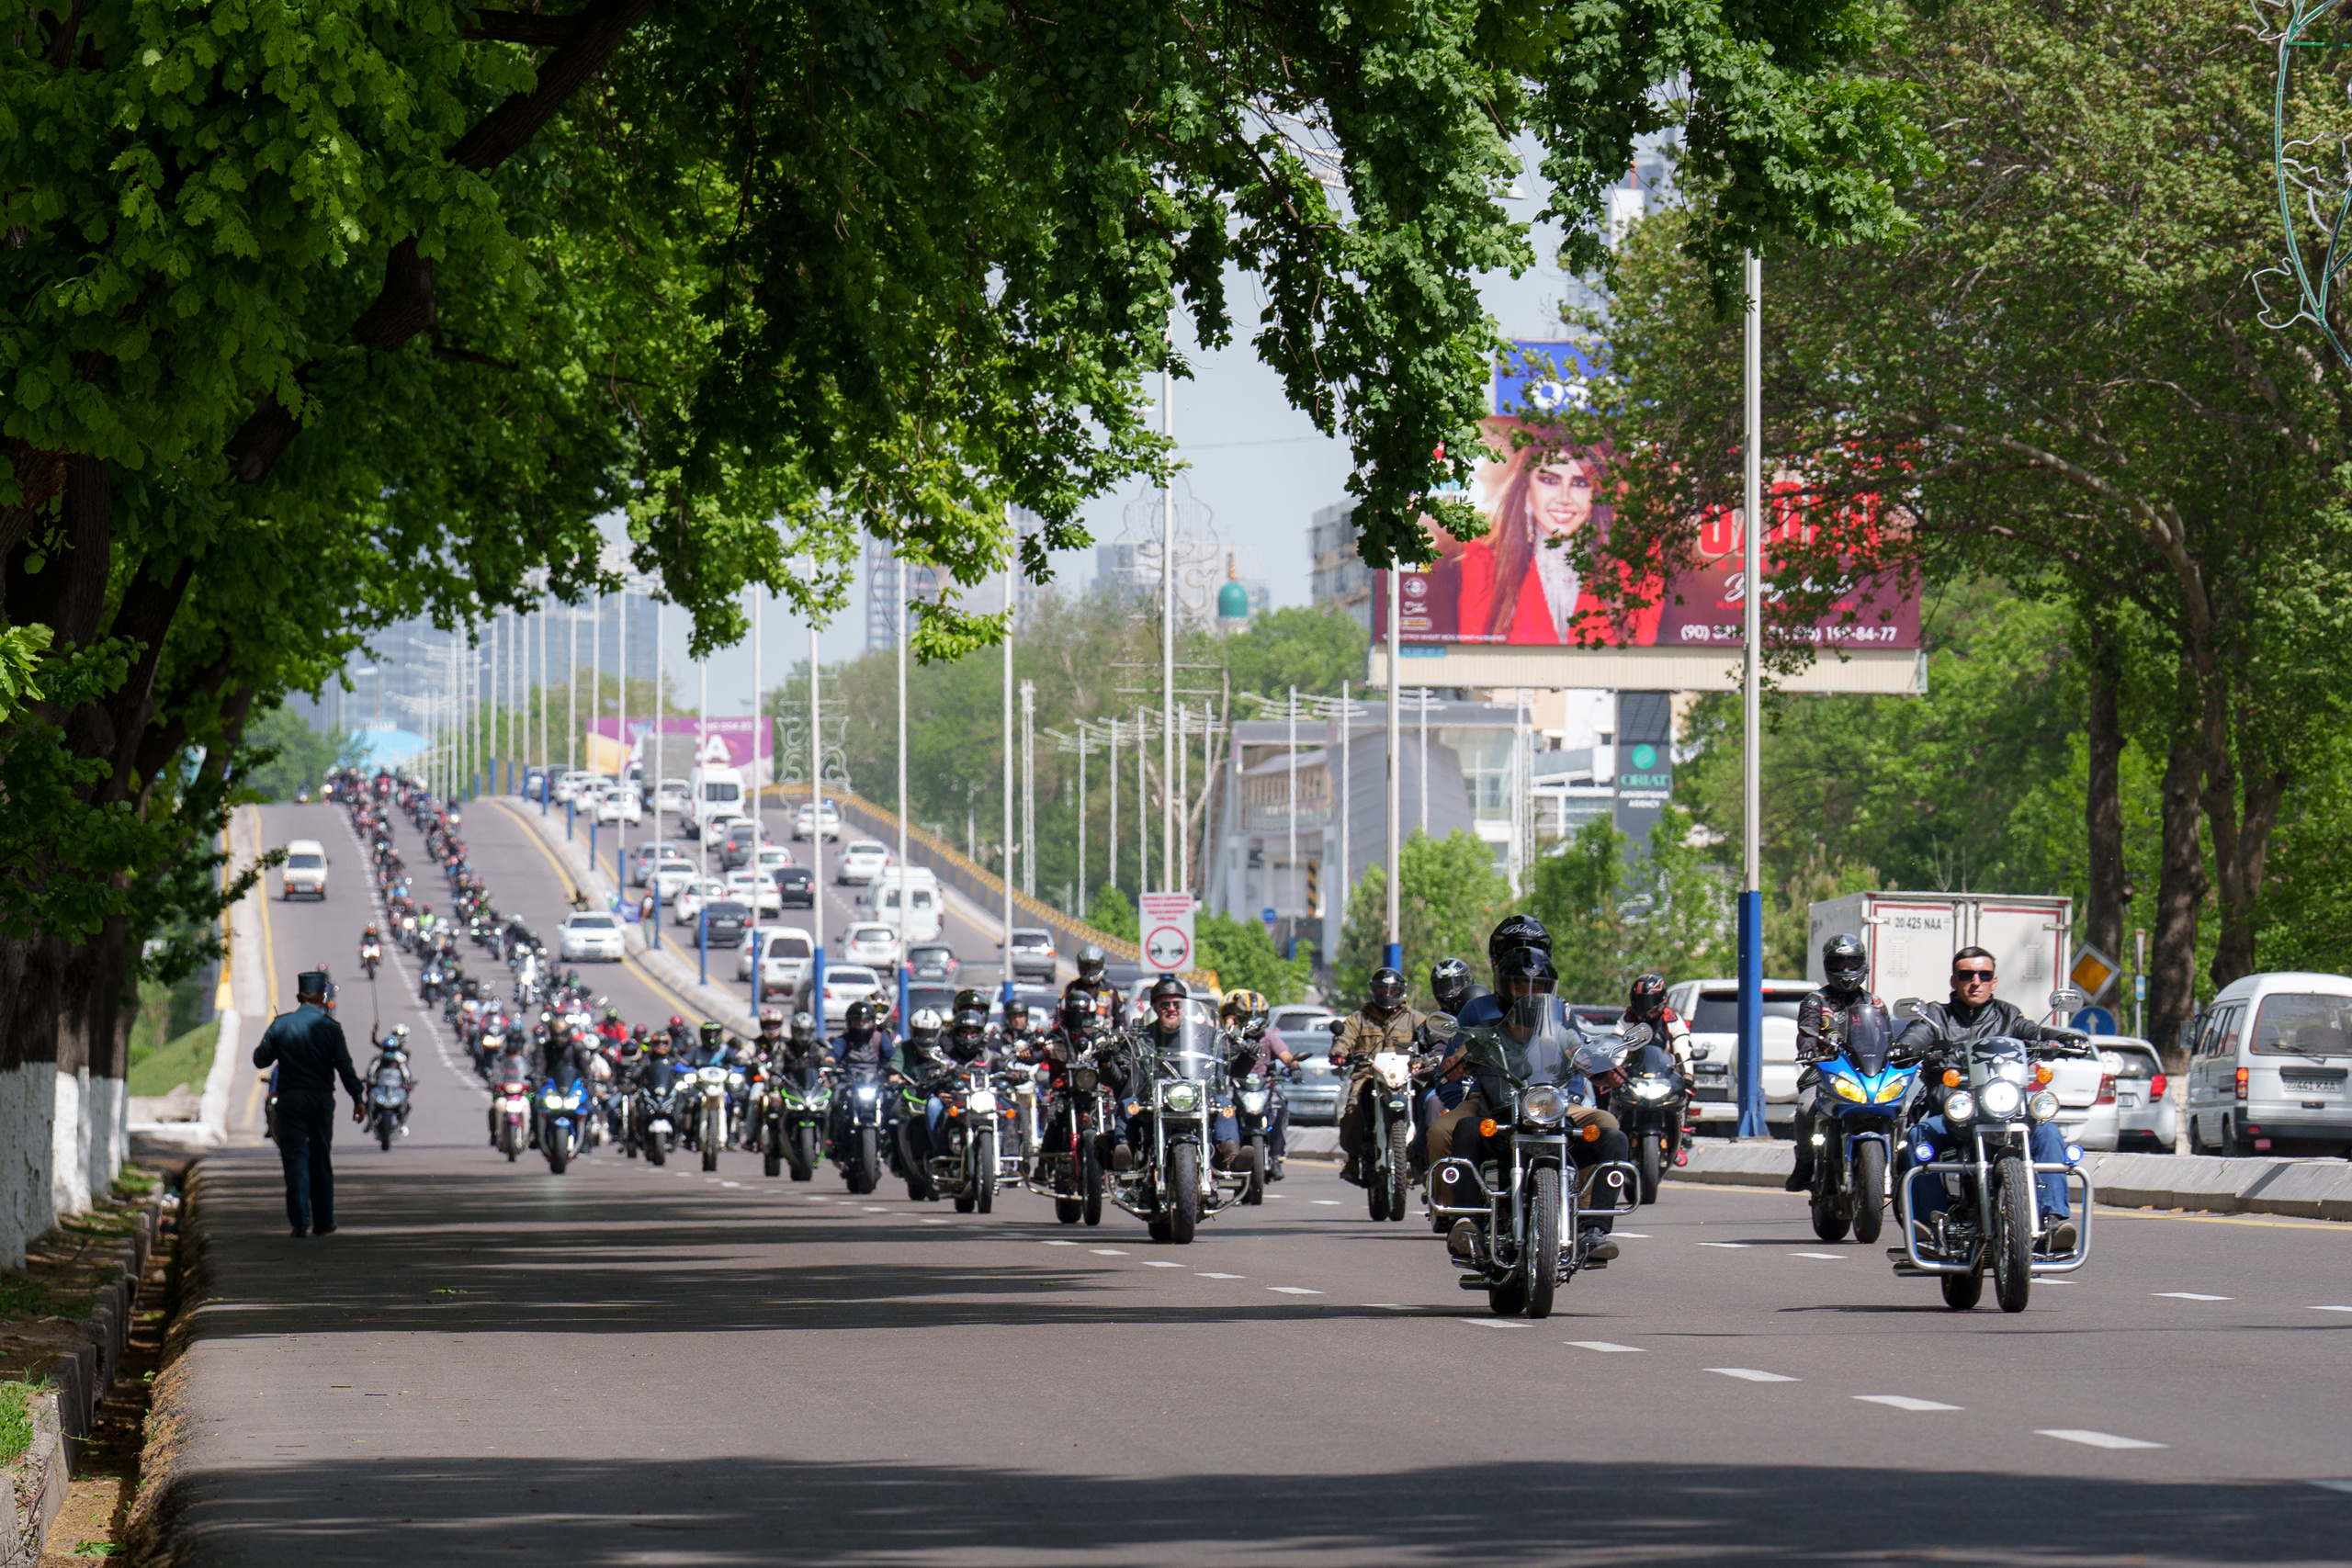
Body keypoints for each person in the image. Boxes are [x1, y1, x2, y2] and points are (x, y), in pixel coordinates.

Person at [1435, 948, 1628, 1265]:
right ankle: (1466, 1221)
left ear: (1548, 991)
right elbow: (1452, 1065)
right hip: (1501, 1119)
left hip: (1550, 1112)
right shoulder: (1488, 1036)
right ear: (1503, 987)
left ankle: (1593, 1230)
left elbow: (1583, 1057)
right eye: (1520, 987)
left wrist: (1606, 1071)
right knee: (1466, 1128)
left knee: (1611, 1132)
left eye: (1537, 988)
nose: (1529, 994)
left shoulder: (1561, 1035)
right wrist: (1456, 1066)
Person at [1894, 946, 2087, 1254]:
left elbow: (2032, 1031)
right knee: (1921, 1134)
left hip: (2005, 1111)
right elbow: (1917, 1035)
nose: (1975, 981)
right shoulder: (1935, 1017)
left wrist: (2063, 1039)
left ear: (1993, 981)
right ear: (1954, 981)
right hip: (1954, 1114)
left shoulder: (2007, 1015)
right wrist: (1906, 1047)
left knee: (2048, 1132)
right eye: (1967, 975)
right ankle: (1928, 1227)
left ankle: (2052, 1223)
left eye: (1984, 975)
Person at [252, 971, 365, 1236]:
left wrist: (277, 1040)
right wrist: (358, 1099)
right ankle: (324, 1221)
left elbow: (260, 1059)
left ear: (298, 997)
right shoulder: (331, 1029)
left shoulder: (282, 1024)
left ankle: (300, 1221)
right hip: (321, 1101)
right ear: (323, 998)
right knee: (320, 1158)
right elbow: (345, 1068)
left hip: (290, 1101)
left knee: (295, 1159)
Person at [1786, 934, 1881, 1191]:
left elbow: (1884, 1036)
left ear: (1863, 964)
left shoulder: (1874, 1003)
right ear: (1828, 966)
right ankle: (1805, 1162)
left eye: (1852, 963)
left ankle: (1897, 1162)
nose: (1847, 970)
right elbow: (1806, 1033)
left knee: (1898, 1106)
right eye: (1839, 964)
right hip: (1826, 1072)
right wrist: (1808, 1050)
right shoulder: (1815, 1001)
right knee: (1806, 1107)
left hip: (1866, 1075)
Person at [1329, 967, 1425, 1186]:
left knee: (1428, 1105)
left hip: (1405, 1079)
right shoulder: (1358, 1018)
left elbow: (1432, 1039)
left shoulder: (1416, 1019)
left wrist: (1426, 1058)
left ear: (1401, 992)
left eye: (1392, 990)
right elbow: (1344, 1038)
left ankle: (1423, 1156)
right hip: (1368, 1077)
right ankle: (1353, 1159)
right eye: (1382, 989)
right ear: (1374, 991)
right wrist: (1339, 1052)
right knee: (1352, 1110)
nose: (1387, 995)